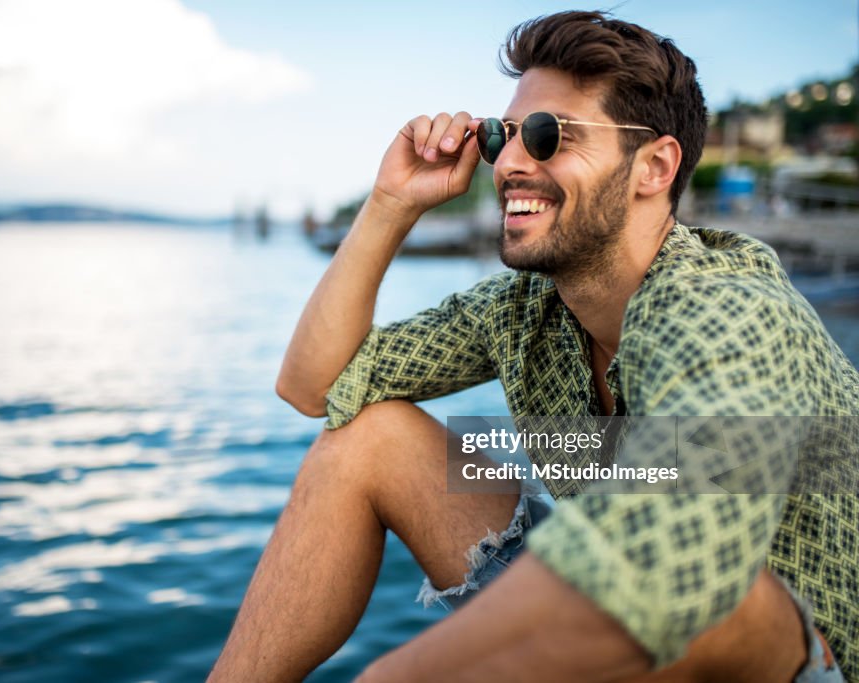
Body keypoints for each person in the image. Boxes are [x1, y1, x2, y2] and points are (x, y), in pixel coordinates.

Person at [209, 11, 858, 683]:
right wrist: (389, 204)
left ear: (654, 167)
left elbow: (676, 559)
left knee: (729, 599)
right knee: (368, 439)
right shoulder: (527, 309)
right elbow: (313, 385)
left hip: (790, 657)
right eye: (502, 136)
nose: (512, 162)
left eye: (550, 136)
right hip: (624, 601)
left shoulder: (725, 306)